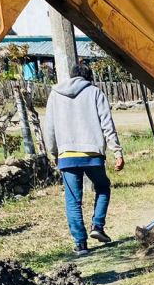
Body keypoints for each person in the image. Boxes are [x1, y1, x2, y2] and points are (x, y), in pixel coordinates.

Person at [42, 62, 124, 255]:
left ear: (71, 76)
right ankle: (97, 226)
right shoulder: (95, 93)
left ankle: (80, 244)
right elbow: (107, 124)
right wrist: (117, 152)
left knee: (73, 200)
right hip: (92, 154)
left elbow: (50, 128)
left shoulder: (55, 95)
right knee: (103, 187)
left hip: (67, 156)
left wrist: (53, 153)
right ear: (89, 77)